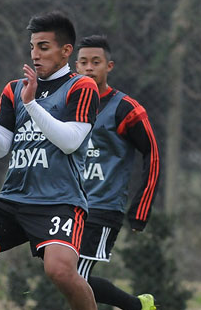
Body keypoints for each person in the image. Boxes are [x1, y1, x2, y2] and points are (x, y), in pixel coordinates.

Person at [0, 11, 99, 310]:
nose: (35, 54)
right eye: (33, 47)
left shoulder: (81, 87)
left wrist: (32, 104)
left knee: (59, 271)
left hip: (59, 202)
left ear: (66, 51)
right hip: (13, 200)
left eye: (44, 47)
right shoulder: (15, 88)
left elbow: (71, 141)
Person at [75, 35, 160, 310]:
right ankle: (137, 307)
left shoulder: (126, 109)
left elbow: (153, 154)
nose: (89, 68)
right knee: (63, 274)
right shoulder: (67, 105)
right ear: (75, 66)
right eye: (84, 62)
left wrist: (141, 209)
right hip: (67, 205)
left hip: (102, 208)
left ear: (109, 66)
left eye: (96, 62)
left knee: (75, 277)